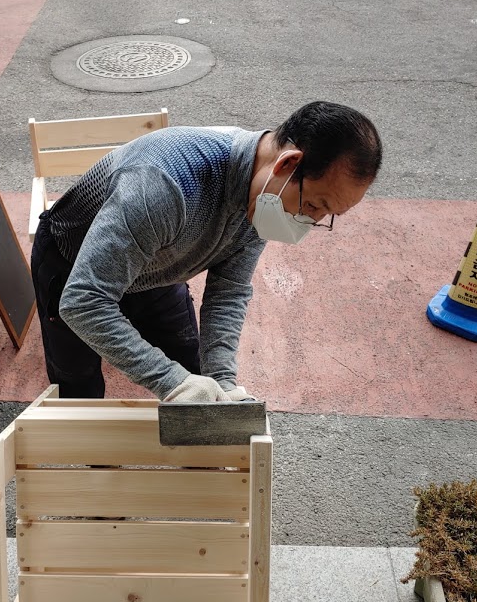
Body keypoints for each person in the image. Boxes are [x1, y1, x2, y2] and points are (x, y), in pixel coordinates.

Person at [31, 100, 382, 403]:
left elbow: (228, 292)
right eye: (314, 205)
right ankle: (86, 456)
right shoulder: (163, 185)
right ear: (287, 165)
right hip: (71, 262)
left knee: (198, 373)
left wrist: (224, 382)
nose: (307, 221)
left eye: (325, 216)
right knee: (79, 387)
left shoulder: (266, 196)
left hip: (156, 267)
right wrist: (170, 382)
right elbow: (84, 301)